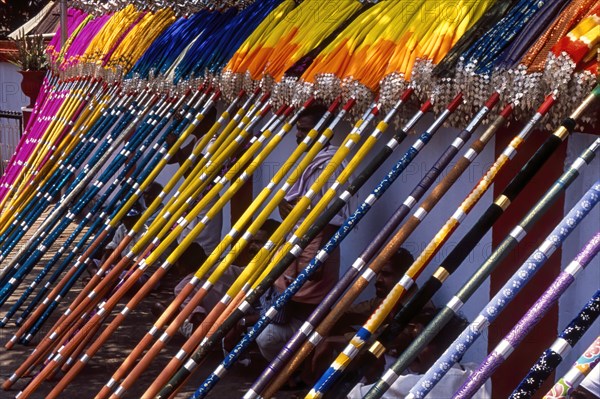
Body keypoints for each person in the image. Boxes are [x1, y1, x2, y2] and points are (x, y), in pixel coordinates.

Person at [256, 103, 351, 363]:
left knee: (302, 305)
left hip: (316, 247)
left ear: (324, 133)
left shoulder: (331, 163)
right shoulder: (309, 160)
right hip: (297, 245)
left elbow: (332, 216)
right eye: (298, 130)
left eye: (304, 130)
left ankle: (301, 363)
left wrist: (314, 258)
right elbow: (295, 206)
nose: (298, 136)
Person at [164, 219, 281, 339]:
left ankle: (173, 315)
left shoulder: (184, 286)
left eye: (257, 242)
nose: (251, 247)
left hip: (218, 329)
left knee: (180, 316)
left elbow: (199, 318)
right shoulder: (229, 269)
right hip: (231, 323)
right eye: (251, 242)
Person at [347, 309, 492, 399]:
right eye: (412, 341)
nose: (413, 350)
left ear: (444, 349)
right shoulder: (474, 371)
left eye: (421, 342)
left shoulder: (416, 383)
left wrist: (368, 371)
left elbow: (355, 396)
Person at [166, 105, 223, 254]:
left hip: (204, 198)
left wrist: (176, 148)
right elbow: (170, 159)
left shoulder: (211, 143)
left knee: (198, 245)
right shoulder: (198, 141)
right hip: (194, 197)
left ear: (204, 120)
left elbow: (195, 178)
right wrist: (173, 136)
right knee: (184, 239)